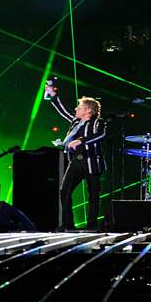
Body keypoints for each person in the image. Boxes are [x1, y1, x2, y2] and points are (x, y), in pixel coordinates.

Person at [45, 80, 107, 230]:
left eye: (79, 107)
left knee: (93, 195)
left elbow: (101, 135)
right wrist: (53, 94)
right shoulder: (75, 122)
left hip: (92, 161)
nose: (76, 109)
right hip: (76, 161)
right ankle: (68, 225)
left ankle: (91, 226)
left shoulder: (98, 122)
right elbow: (63, 111)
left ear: (88, 110)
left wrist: (81, 141)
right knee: (64, 191)